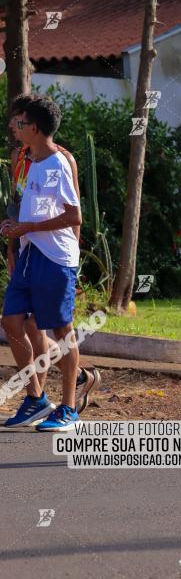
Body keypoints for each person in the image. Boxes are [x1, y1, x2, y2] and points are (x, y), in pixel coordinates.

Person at [3, 95, 100, 425]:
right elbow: (21, 203)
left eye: (17, 120)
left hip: (55, 257)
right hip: (29, 253)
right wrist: (13, 241)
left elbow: (74, 217)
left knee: (61, 331)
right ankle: (35, 398)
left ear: (33, 126)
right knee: (12, 321)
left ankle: (70, 405)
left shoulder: (61, 161)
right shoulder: (23, 158)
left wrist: (32, 231)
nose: (12, 126)